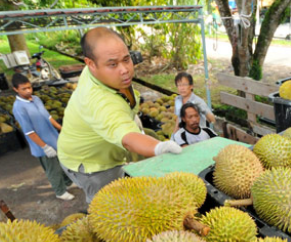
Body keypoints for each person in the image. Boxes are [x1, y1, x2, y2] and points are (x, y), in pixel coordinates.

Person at [57, 27, 182, 204]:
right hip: (91, 163)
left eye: (126, 59)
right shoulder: (99, 101)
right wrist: (159, 148)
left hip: (97, 144)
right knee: (108, 206)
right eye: (113, 64)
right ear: (90, 64)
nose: (124, 70)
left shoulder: (100, 72)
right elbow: (127, 137)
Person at [11, 73, 75, 201]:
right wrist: (45, 147)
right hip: (42, 145)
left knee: (62, 163)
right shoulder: (19, 108)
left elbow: (48, 117)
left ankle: (67, 183)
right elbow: (29, 132)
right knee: (53, 169)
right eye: (24, 89)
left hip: (54, 139)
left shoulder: (36, 99)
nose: (28, 91)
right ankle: (60, 191)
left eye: (29, 87)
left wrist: (62, 129)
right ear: (15, 89)